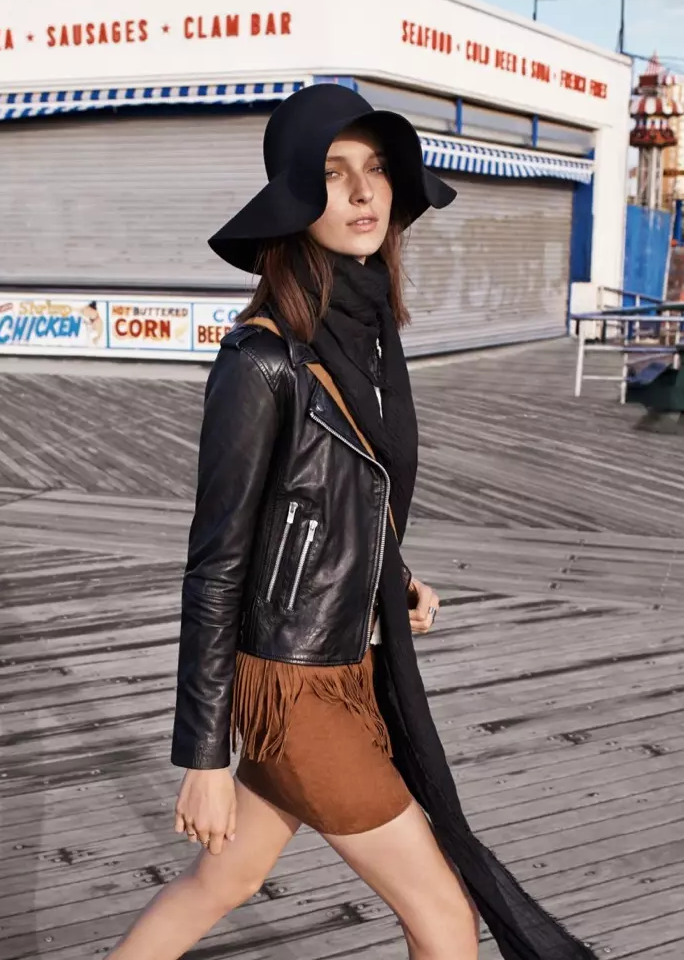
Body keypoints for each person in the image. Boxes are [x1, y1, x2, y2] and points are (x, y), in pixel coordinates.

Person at [106, 84, 598, 960]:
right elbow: (215, 563)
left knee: (225, 880)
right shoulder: (260, 360)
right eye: (334, 176)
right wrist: (205, 757)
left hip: (346, 666)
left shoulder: (363, 337)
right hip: (293, 687)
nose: (365, 193)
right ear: (296, 199)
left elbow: (331, 499)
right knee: (446, 917)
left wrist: (390, 572)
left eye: (376, 171)